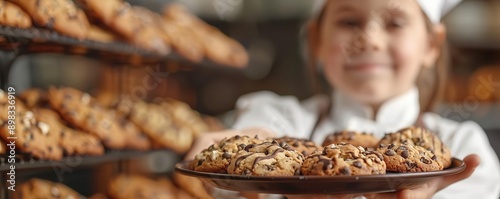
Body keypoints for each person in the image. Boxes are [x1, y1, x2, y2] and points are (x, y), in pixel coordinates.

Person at [186, 0, 500, 198]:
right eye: (349, 22)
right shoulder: (288, 121)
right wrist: (248, 149)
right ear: (316, 41)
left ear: (432, 45)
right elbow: (262, 136)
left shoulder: (460, 147)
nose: (370, 39)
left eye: (395, 23)